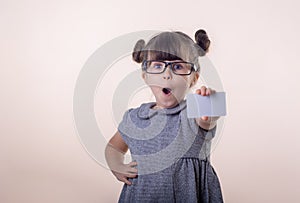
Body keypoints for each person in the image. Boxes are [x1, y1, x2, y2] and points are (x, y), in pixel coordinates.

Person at [105, 29, 224, 202]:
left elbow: (208, 119)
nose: (167, 74)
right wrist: (116, 166)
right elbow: (113, 147)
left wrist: (208, 105)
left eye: (177, 66)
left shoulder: (194, 111)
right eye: (158, 66)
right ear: (145, 75)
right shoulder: (134, 118)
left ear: (194, 78)